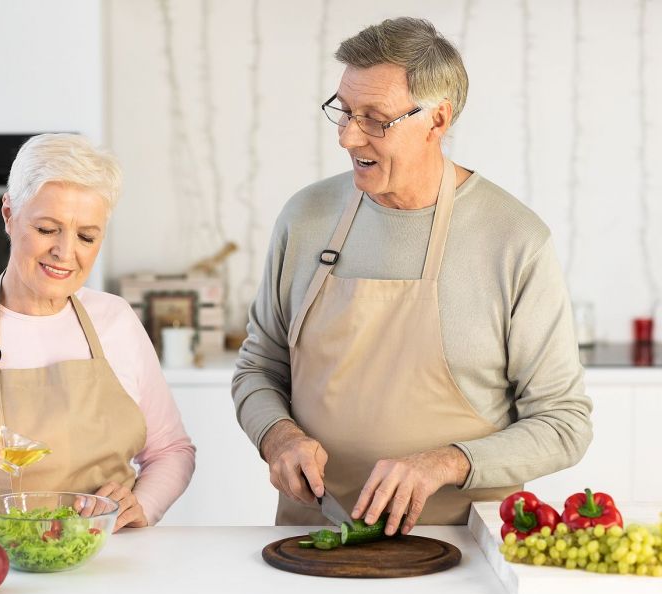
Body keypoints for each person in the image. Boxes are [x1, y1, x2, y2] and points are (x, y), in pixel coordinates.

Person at [232, 17, 592, 535]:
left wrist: (444, 462)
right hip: (314, 537)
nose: (348, 136)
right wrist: (277, 434)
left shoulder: (515, 240)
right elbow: (258, 368)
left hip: (465, 546)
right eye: (344, 112)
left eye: (375, 118)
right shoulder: (305, 218)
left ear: (437, 119)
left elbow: (564, 424)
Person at [0, 134, 196, 533]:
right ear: (9, 214)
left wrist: (143, 504)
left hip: (108, 565)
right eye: (48, 229)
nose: (66, 253)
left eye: (86, 236)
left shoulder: (117, 320)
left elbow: (172, 451)